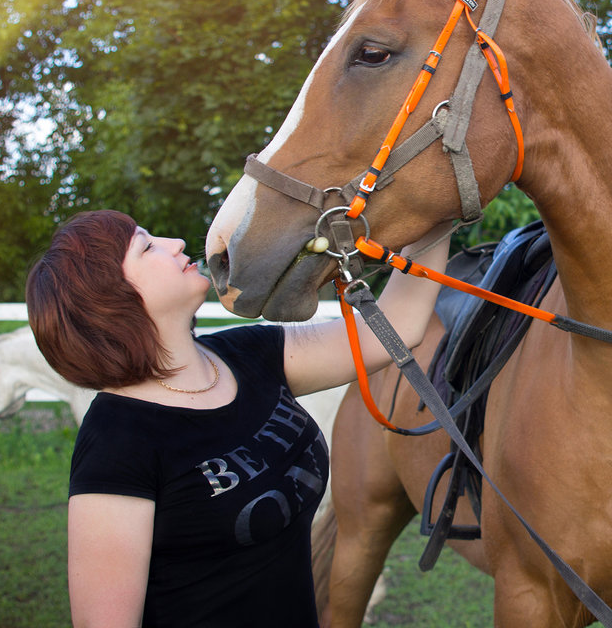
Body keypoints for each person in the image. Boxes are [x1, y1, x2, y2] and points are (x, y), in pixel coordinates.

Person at [25, 209, 449, 628]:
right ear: (110, 298)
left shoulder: (249, 354)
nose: (175, 244)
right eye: (148, 246)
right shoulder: (116, 440)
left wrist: (441, 209)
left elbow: (394, 328)